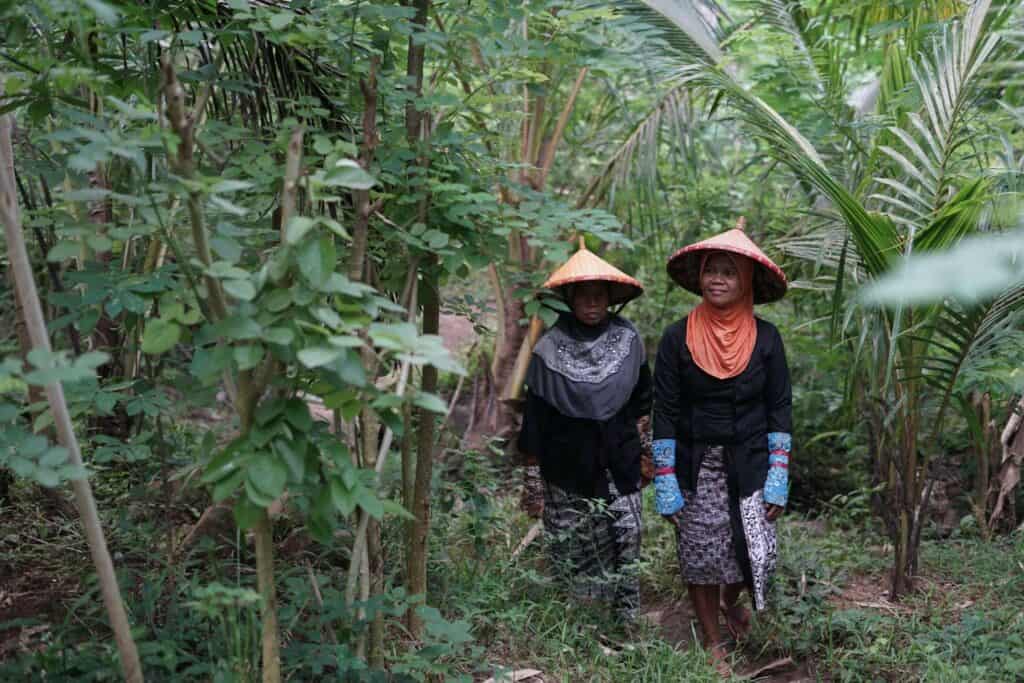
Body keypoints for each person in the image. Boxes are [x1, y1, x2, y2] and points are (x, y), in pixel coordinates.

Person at [652, 218, 792, 675]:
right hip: (696, 462)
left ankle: (732, 602)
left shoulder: (767, 339)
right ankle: (713, 641)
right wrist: (665, 478)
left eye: (729, 271)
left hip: (750, 462)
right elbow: (666, 411)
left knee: (747, 551)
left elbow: (779, 408)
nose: (717, 278)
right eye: (711, 269)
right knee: (698, 551)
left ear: (747, 281)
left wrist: (778, 475)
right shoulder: (676, 338)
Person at [517, 239, 652, 622]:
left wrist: (644, 454)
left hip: (620, 460)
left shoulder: (629, 341)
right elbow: (535, 419)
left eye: (600, 295)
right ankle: (577, 625)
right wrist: (531, 478)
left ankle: (625, 623)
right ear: (569, 299)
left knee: (626, 537)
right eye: (584, 296)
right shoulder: (547, 348)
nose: (592, 303)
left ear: (610, 298)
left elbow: (644, 400)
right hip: (566, 466)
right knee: (572, 546)